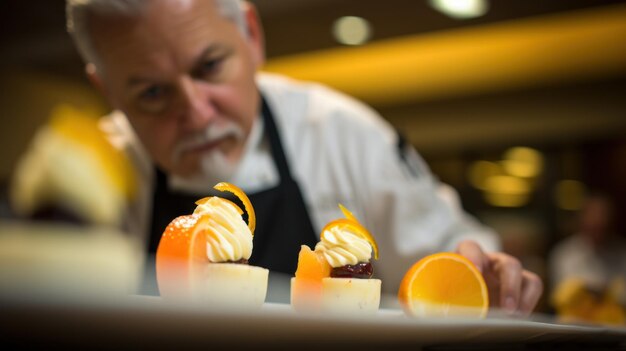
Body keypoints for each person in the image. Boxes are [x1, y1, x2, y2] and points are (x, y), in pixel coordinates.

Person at [54, 0, 541, 314]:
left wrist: (487, 276)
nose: (196, 114)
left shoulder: (344, 135)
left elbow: (452, 262)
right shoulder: (90, 173)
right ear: (108, 90)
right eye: (153, 92)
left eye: (210, 66)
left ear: (251, 34)